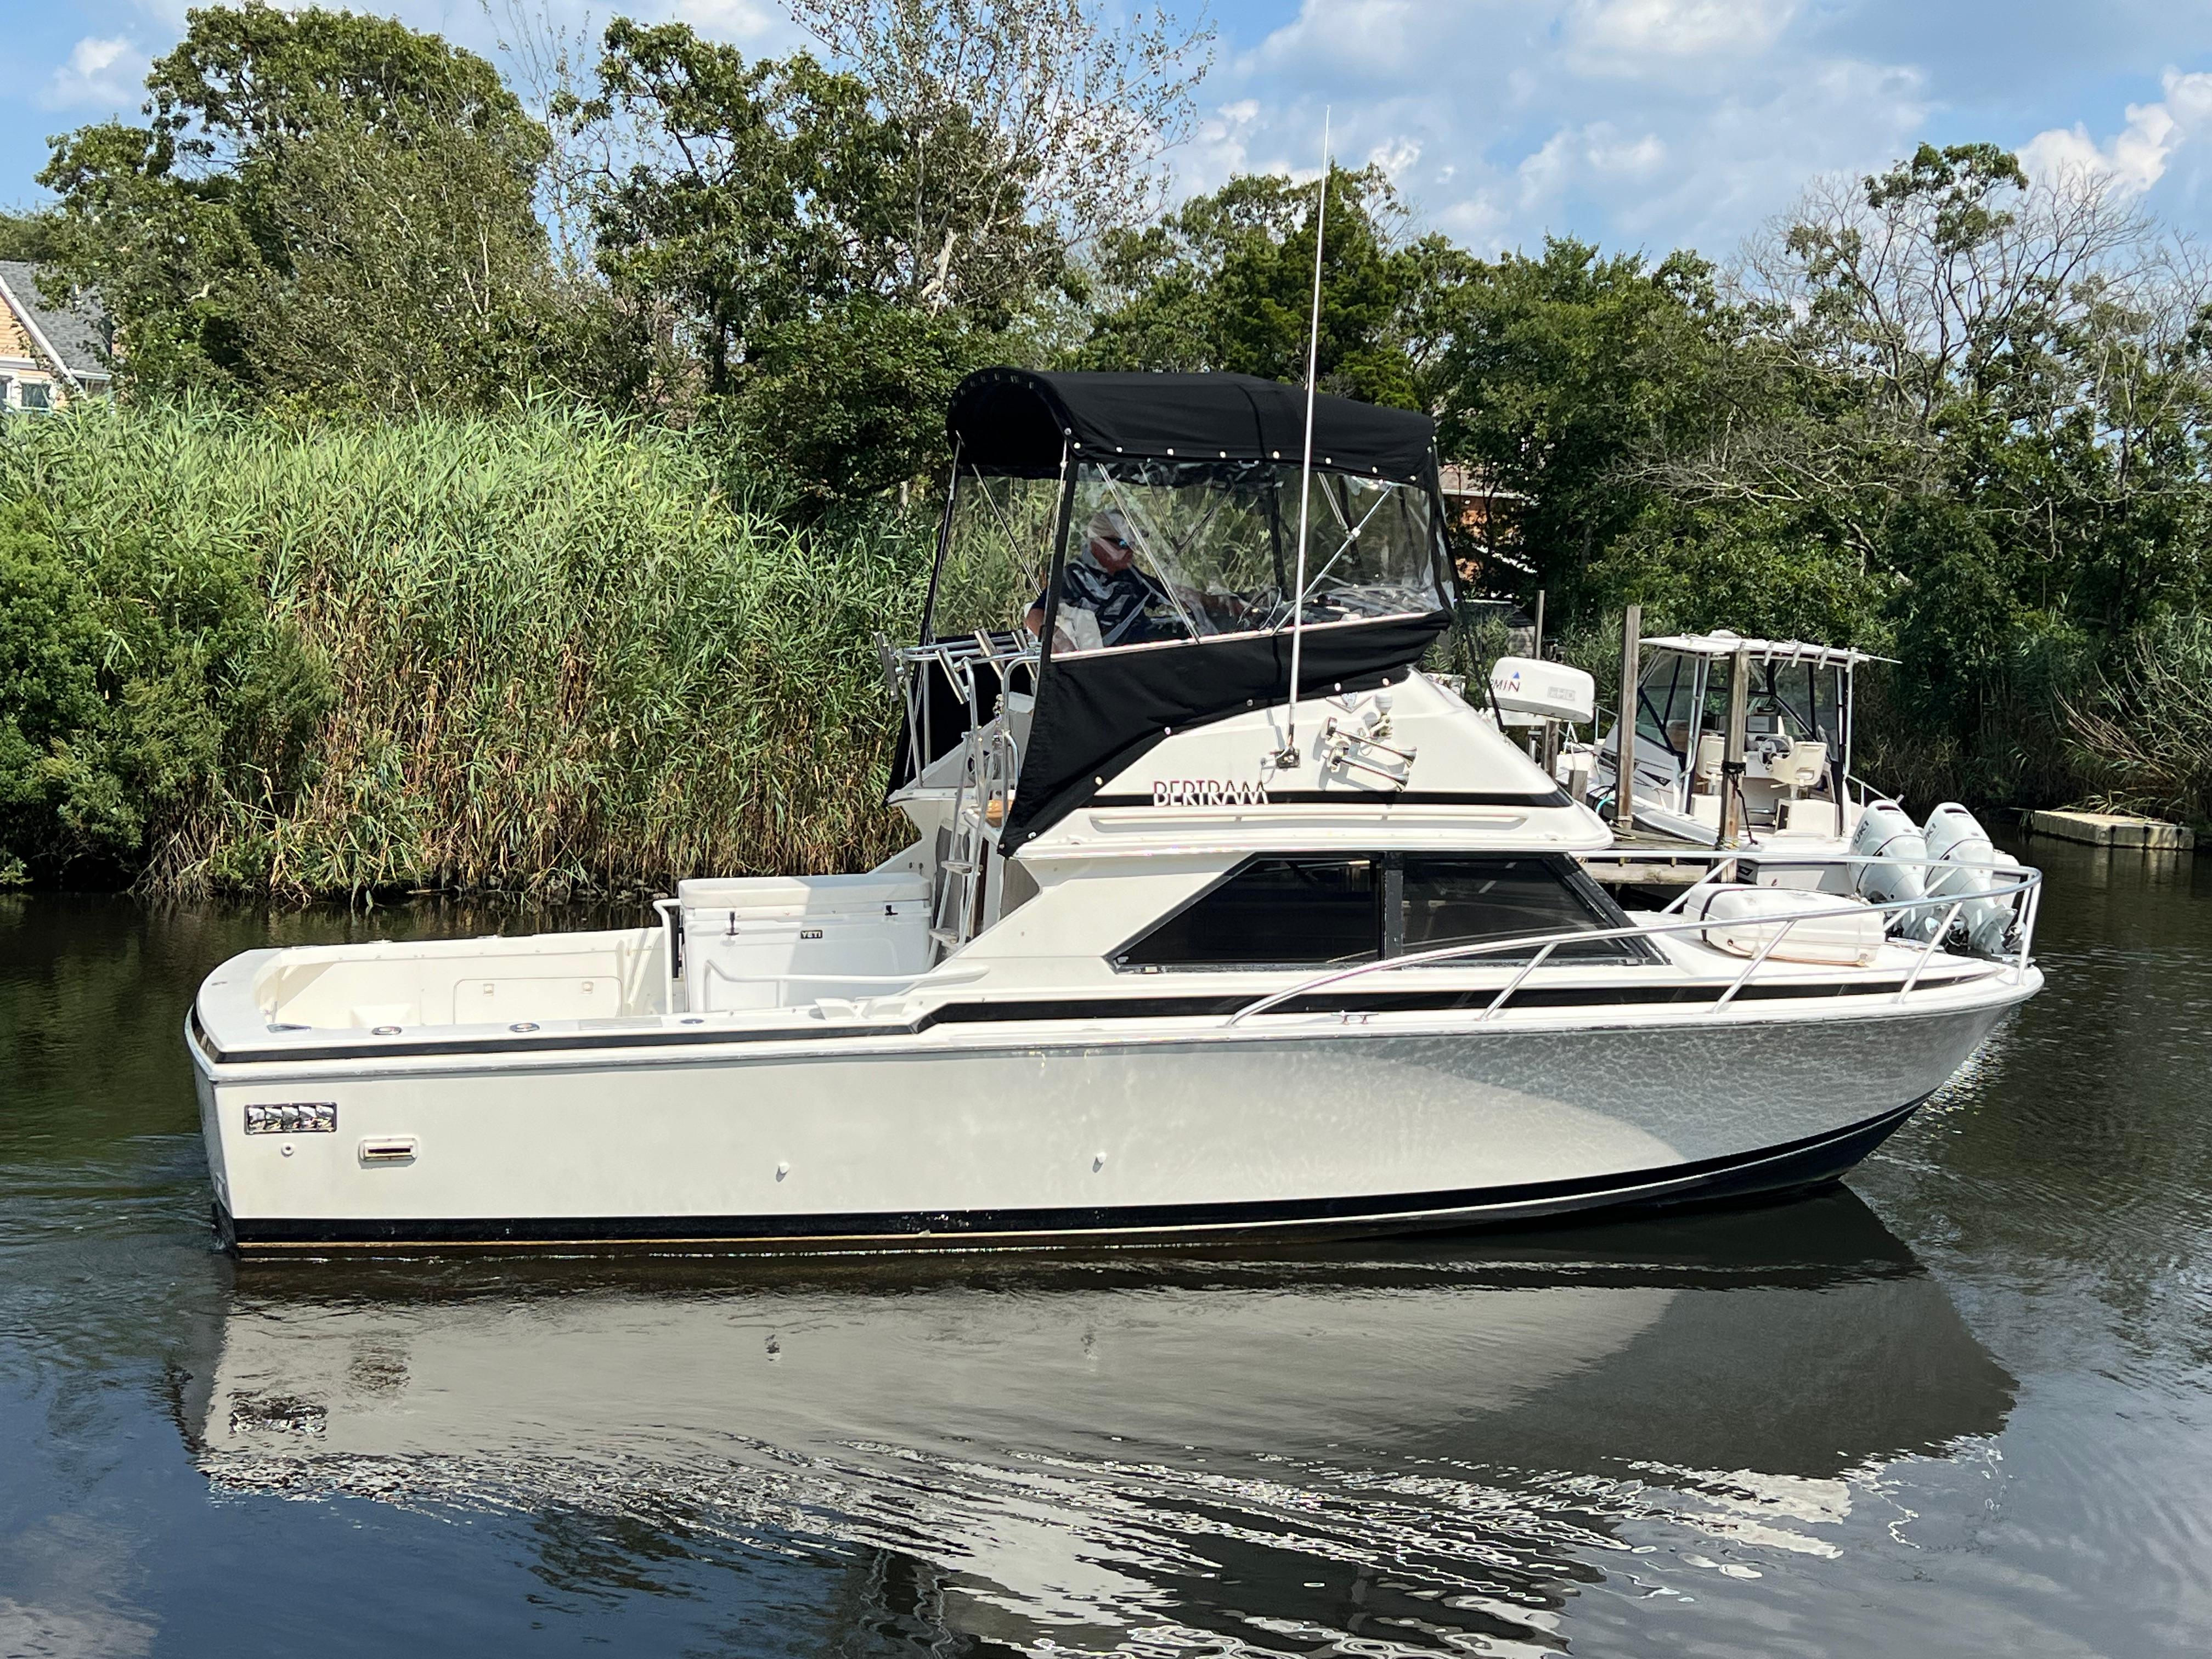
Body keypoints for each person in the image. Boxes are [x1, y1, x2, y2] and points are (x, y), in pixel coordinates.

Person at [1024, 507, 1179, 650]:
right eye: (1124, 543)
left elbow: (1171, 594)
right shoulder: (1075, 577)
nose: (1131, 549)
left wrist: (1199, 601)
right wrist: (1059, 640)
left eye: (1134, 542)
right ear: (1098, 543)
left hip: (1142, 655)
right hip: (1107, 665)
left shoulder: (1130, 575)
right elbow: (1034, 616)